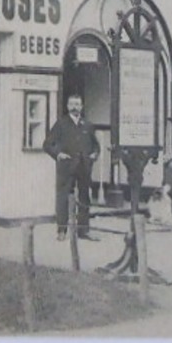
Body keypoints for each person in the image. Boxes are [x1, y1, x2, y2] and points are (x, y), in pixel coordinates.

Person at [42, 93, 101, 241]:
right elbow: (47, 144)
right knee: (63, 197)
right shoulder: (61, 124)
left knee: (84, 198)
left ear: (82, 106)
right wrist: (58, 154)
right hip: (66, 167)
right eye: (72, 104)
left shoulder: (87, 125)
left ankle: (83, 230)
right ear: (68, 106)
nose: (75, 107)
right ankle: (62, 230)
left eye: (77, 104)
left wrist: (94, 154)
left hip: (84, 167)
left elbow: (95, 145)